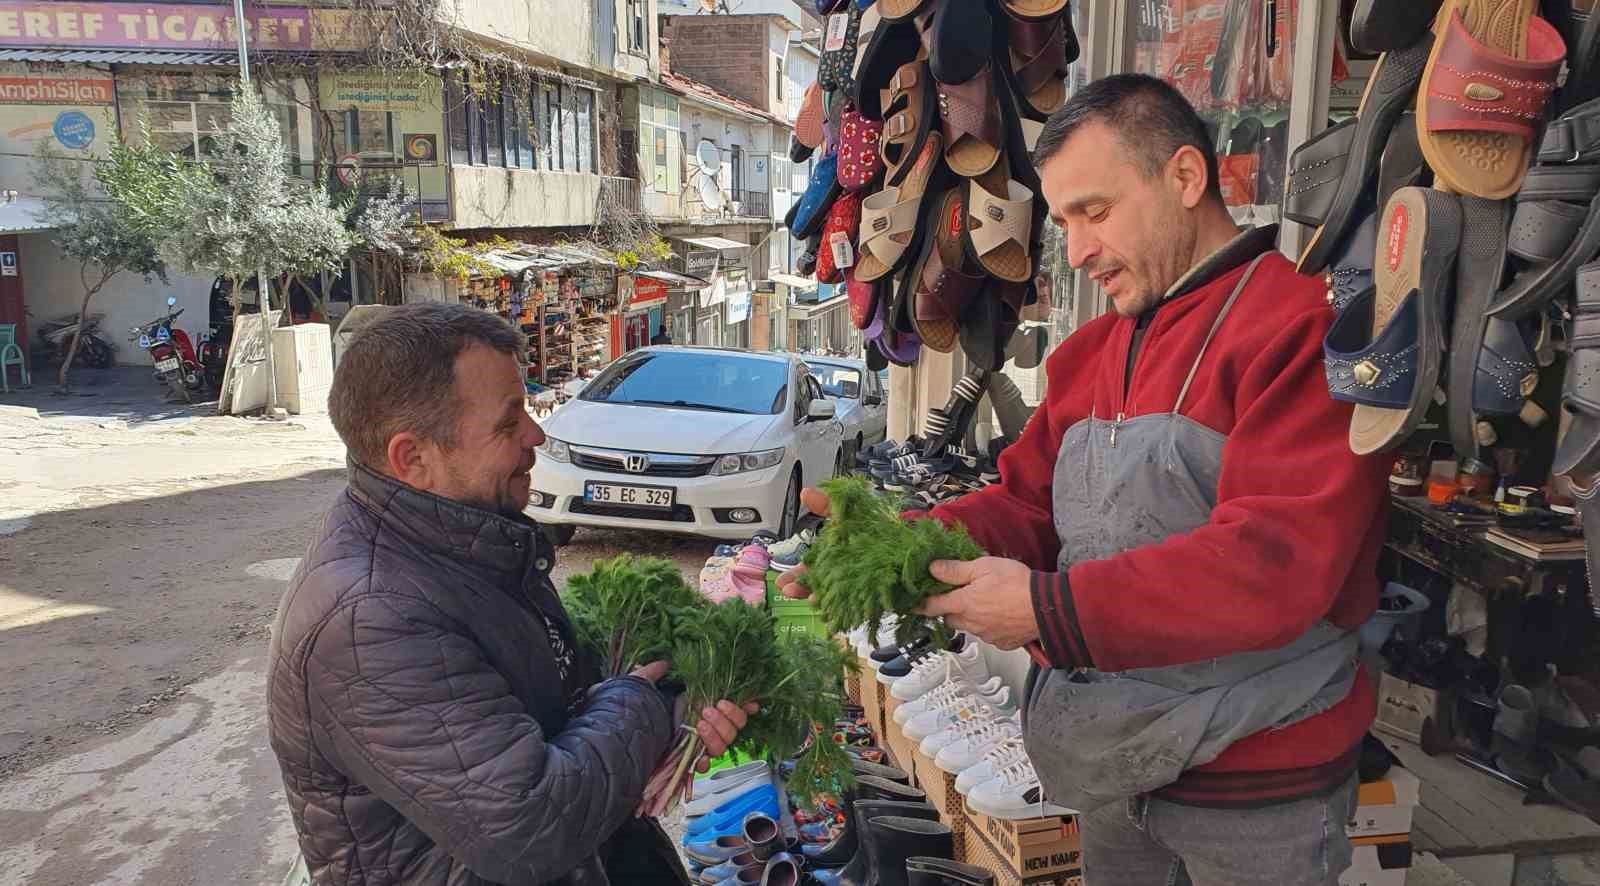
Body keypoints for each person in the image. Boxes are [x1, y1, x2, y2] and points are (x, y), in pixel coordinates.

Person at [780, 75, 1391, 886]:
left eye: (1094, 212)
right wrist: (895, 549)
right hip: (1115, 766)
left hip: (1255, 791)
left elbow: (1275, 562)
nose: (1074, 251)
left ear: (1185, 177)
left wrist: (1045, 610)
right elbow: (1028, 506)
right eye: (1064, 222)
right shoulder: (1095, 353)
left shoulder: (1301, 331)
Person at [267, 302, 754, 886]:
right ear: (413, 458)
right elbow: (529, 825)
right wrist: (642, 705)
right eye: (507, 423)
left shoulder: (464, 543)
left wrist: (672, 716)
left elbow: (546, 712)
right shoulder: (371, 617)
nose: (536, 436)